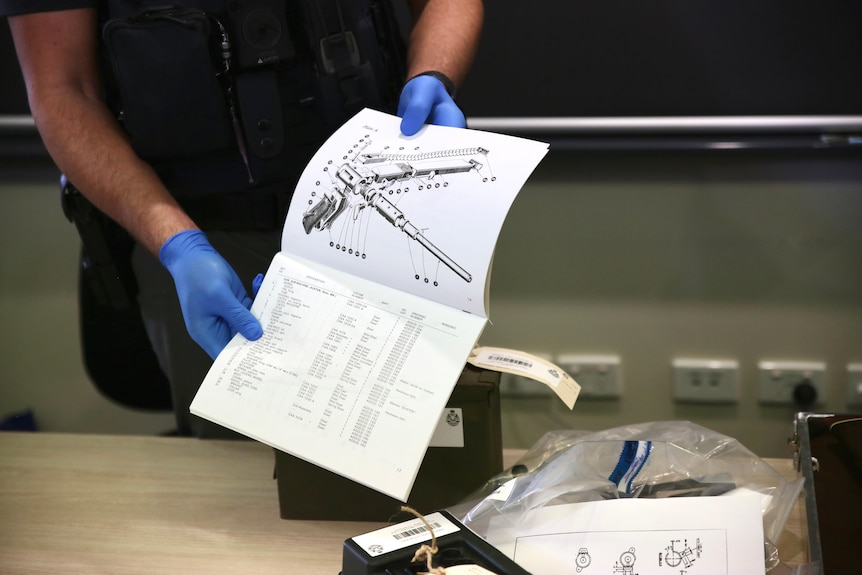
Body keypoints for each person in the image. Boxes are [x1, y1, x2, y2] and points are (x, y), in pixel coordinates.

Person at [2, 0, 483, 437]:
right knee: (240, 486)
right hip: (205, 237)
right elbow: (63, 89)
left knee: (416, 450)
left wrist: (434, 75)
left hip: (381, 209)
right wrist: (178, 244)